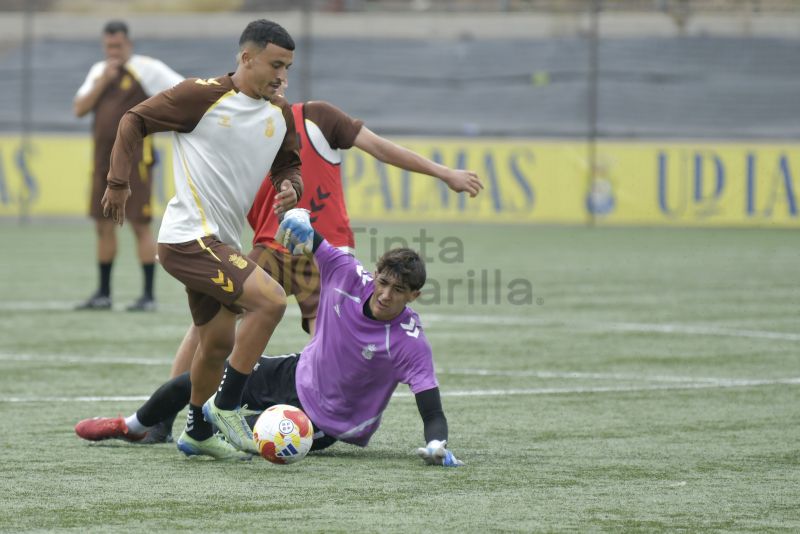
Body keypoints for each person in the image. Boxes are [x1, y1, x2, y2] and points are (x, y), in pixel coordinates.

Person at [146, 89, 483, 444]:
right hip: (270, 246)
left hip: (325, 254)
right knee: (211, 322)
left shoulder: (319, 117)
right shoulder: (238, 129)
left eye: (281, 72)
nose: (274, 84)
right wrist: (190, 240)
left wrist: (444, 173)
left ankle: (327, 420)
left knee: (334, 348)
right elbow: (215, 186)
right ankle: (165, 421)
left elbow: (379, 148)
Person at [75, 209, 464, 467]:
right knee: (198, 380)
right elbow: (309, 234)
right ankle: (133, 426)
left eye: (398, 290)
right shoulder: (347, 273)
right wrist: (297, 215)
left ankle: (197, 431)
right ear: (375, 275)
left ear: (414, 296)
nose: (386, 295)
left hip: (323, 420)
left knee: (231, 432)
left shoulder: (410, 342)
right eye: (383, 283)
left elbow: (432, 411)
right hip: (296, 372)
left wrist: (436, 444)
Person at [101, 19, 303, 460]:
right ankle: (227, 406)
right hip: (189, 237)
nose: (282, 76)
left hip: (222, 242)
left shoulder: (279, 113)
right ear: (246, 58)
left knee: (216, 345)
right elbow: (134, 119)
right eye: (275, 65)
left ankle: (196, 430)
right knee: (270, 301)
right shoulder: (201, 95)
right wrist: (118, 182)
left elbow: (288, 166)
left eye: (287, 67)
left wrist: (291, 187)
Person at [74, 20, 183, 312]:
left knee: (139, 224)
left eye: (118, 46)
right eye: (109, 46)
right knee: (102, 225)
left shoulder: (147, 68)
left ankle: (148, 295)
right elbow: (79, 109)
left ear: (129, 44)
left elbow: (183, 91)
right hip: (102, 161)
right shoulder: (98, 71)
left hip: (136, 161)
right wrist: (102, 81)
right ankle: (103, 294)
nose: (114, 52)